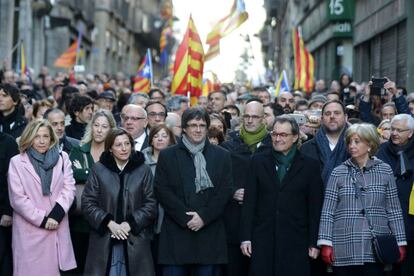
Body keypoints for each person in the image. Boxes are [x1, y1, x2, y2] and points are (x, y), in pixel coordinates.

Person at [318, 123, 407, 275]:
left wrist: (400, 242)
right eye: (349, 142)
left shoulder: (385, 170)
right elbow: (327, 211)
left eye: (357, 141)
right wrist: (326, 242)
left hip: (375, 246)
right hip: (343, 245)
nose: (352, 146)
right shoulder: (338, 172)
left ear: (370, 144)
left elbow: (394, 210)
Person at [154, 107, 233, 276]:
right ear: (184, 128)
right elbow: (162, 190)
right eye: (193, 125)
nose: (198, 129)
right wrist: (186, 217)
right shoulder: (168, 155)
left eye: (202, 125)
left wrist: (203, 217)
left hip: (209, 235)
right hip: (177, 234)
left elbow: (224, 191)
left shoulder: (222, 155)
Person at [240, 116, 323, 276]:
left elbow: (315, 207)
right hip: (262, 240)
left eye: (283, 135)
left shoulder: (310, 166)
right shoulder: (257, 161)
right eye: (274, 134)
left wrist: (314, 242)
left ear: (295, 137)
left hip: (297, 241)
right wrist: (246, 237)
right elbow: (249, 202)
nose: (277, 139)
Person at [82, 128, 157, 275]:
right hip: (105, 239)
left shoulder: (143, 170)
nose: (124, 148)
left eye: (127, 144)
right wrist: (109, 223)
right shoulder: (99, 169)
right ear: (110, 148)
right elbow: (88, 203)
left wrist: (129, 224)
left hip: (136, 239)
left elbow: (151, 204)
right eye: (118, 145)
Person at [8, 119, 76, 276]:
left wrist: (56, 215)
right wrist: (43, 220)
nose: (41, 141)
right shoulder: (17, 162)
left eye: (45, 136)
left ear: (52, 139)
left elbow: (69, 187)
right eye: (37, 136)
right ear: (29, 138)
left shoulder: (62, 158)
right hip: (30, 231)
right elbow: (18, 199)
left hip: (57, 225)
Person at [220, 101, 271, 276]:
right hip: (233, 223)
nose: (250, 121)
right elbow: (217, 179)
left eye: (255, 117)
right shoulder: (227, 146)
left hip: (263, 224)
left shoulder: (274, 146)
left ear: (264, 119)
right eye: (246, 116)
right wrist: (232, 191)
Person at [68, 109, 116, 273]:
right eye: (96, 125)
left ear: (111, 130)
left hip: (106, 220)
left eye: (104, 126)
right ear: (91, 127)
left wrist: (86, 173)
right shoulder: (79, 150)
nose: (100, 130)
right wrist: (97, 176)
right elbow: (71, 175)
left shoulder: (114, 154)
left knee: (102, 268)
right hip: (79, 221)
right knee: (79, 265)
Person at [377, 114, 414, 276]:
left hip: (411, 220)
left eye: (400, 130)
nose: (394, 133)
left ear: (411, 133)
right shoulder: (381, 152)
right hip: (385, 223)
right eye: (392, 129)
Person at [142, 124, 177, 275]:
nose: (160, 139)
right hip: (147, 216)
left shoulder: (177, 160)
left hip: (170, 216)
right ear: (150, 140)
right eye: (156, 136)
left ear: (170, 139)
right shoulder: (141, 161)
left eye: (164, 136)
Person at [301, 100, 349, 186]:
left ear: (345, 117)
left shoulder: (356, 146)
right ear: (322, 119)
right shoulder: (306, 148)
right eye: (327, 114)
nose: (332, 116)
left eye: (337, 113)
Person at [0, 132, 18, 276]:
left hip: (2, 214)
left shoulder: (8, 142)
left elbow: (13, 181)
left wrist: (8, 211)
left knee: (3, 256)